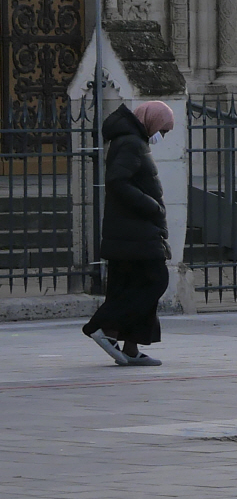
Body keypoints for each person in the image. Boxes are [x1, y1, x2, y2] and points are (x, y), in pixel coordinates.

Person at [81, 101, 174, 366]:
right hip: (135, 230)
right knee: (155, 280)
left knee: (132, 285)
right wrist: (151, 205)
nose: (162, 136)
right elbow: (118, 181)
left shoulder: (131, 140)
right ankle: (104, 327)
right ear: (152, 121)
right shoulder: (131, 142)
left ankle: (131, 347)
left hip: (131, 230)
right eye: (163, 130)